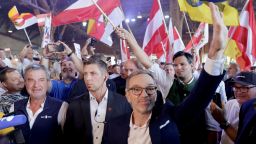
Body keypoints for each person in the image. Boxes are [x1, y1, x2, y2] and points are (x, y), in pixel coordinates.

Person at [107, 2, 228, 143]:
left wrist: (215, 55)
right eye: (136, 89)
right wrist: (130, 39)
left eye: (150, 88)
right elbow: (147, 62)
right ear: (126, 94)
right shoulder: (114, 126)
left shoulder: (169, 116)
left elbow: (199, 97)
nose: (144, 94)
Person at [63, 57, 131, 144]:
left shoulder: (123, 103)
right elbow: (68, 137)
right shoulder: (74, 105)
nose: (88, 78)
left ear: (105, 76)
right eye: (85, 74)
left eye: (93, 73)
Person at [12, 64, 67, 144]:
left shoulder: (62, 107)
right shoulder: (15, 106)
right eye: (31, 80)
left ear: (48, 82)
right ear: (25, 83)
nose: (36, 85)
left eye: (41, 80)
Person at [212, 72, 256, 144]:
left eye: (244, 87)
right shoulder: (230, 103)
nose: (238, 91)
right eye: (235, 87)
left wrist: (223, 122)